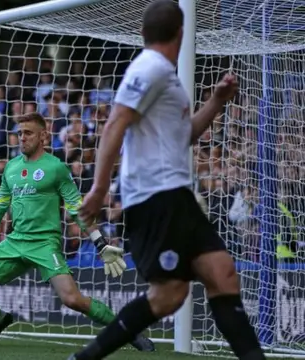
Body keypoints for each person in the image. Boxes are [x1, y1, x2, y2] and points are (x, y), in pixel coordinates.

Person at [72, 1, 265, 359]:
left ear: (143, 32)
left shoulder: (165, 75)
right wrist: (99, 189)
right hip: (156, 195)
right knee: (169, 296)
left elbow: (184, 136)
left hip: (176, 195)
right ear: (181, 32)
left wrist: (217, 101)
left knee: (222, 273)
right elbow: (115, 122)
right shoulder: (150, 68)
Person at [0, 113, 154, 351]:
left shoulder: (56, 168)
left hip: (44, 244)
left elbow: (76, 208)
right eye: (19, 133)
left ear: (43, 137)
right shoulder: (11, 167)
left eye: (28, 133)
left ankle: (128, 332)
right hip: (15, 242)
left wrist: (99, 243)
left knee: (72, 299)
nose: (22, 138)